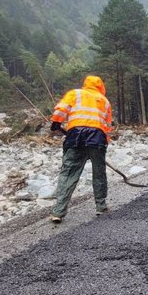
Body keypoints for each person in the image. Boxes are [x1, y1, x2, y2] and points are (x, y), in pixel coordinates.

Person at [49, 75, 113, 223]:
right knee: (99, 173)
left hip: (75, 137)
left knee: (68, 173)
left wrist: (56, 123)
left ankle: (58, 212)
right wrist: (103, 144)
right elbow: (107, 125)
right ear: (101, 86)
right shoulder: (105, 101)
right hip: (97, 138)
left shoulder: (75, 93)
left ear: (85, 84)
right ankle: (101, 207)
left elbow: (60, 111)